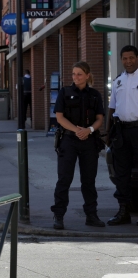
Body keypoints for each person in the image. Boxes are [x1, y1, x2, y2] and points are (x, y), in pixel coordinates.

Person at [50, 61, 105, 230]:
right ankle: (59, 216)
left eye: (79, 74)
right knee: (64, 179)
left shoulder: (95, 95)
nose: (76, 77)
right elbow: (59, 117)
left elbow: (100, 119)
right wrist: (77, 131)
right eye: (74, 74)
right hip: (69, 140)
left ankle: (91, 215)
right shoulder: (64, 92)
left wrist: (89, 130)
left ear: (87, 75)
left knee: (89, 180)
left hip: (89, 141)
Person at [106, 45, 138, 226]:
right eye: (125, 58)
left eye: (131, 58)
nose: (128, 61)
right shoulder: (118, 80)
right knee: (121, 173)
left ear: (137, 58)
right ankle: (123, 211)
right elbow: (112, 108)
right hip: (121, 132)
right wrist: (107, 133)